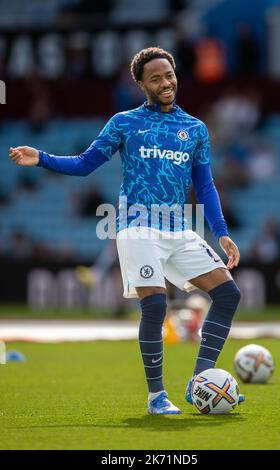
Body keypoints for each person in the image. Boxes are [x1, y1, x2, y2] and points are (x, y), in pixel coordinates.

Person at [9, 47, 243, 415]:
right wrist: (41, 157)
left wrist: (222, 231)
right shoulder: (124, 122)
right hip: (136, 226)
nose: (166, 83)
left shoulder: (195, 128)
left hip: (178, 228)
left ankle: (202, 383)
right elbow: (86, 164)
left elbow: (206, 185)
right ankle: (156, 398)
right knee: (154, 305)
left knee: (228, 295)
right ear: (140, 84)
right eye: (155, 79)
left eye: (169, 75)